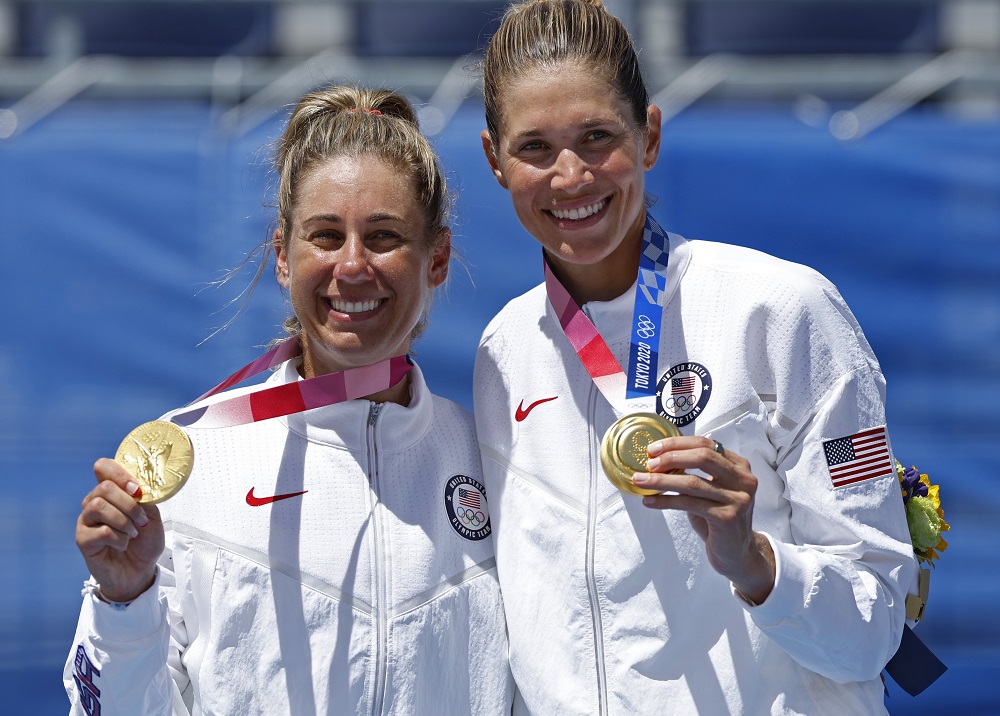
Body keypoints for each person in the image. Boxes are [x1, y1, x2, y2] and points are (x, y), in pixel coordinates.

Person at [473, 1, 917, 713]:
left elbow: (877, 627)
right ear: (495, 160)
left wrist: (755, 563)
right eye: (534, 148)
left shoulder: (784, 311)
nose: (570, 176)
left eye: (596, 137)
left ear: (649, 135)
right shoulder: (504, 350)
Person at [65, 86, 513, 715]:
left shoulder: (493, 459)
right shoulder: (194, 466)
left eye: (384, 237)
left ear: (435, 258)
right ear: (282, 256)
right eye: (326, 236)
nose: (353, 266)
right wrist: (124, 599)